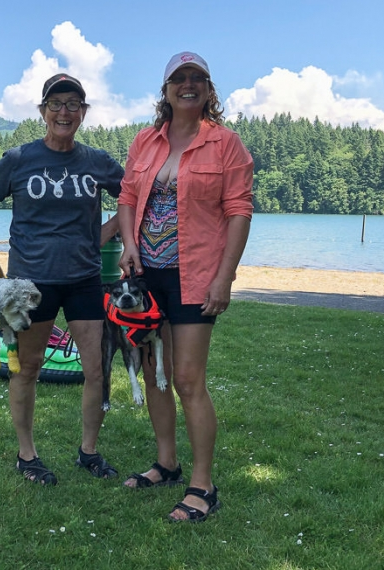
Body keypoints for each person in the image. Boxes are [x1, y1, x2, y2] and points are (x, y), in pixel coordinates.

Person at [116, 52, 254, 521]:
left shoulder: (226, 144)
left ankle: (203, 485)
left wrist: (224, 277)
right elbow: (127, 197)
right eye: (179, 78)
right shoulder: (146, 140)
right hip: (146, 277)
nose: (188, 85)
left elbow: (239, 212)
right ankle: (166, 463)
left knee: (188, 379)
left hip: (195, 277)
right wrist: (128, 245)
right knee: (155, 369)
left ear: (209, 90)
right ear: (166, 89)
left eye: (198, 78)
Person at [0, 73, 124, 485]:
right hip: (31, 283)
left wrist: (108, 232)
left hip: (85, 279)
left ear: (83, 112)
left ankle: (88, 451)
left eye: (73, 104)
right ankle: (27, 456)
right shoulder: (19, 158)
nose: (64, 112)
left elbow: (132, 195)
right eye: (56, 104)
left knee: (96, 369)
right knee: (28, 368)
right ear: (42, 111)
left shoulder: (96, 161)